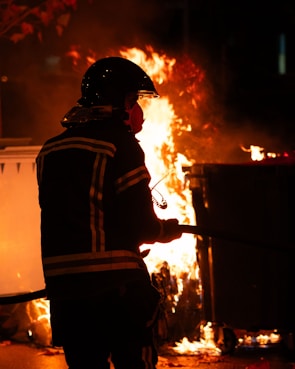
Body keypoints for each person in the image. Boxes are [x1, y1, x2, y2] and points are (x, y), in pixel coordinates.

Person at [36, 56, 182, 369]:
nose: (137, 110)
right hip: (115, 288)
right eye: (133, 100)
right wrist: (165, 231)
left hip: (66, 291)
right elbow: (140, 226)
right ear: (118, 102)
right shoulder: (121, 145)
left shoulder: (50, 150)